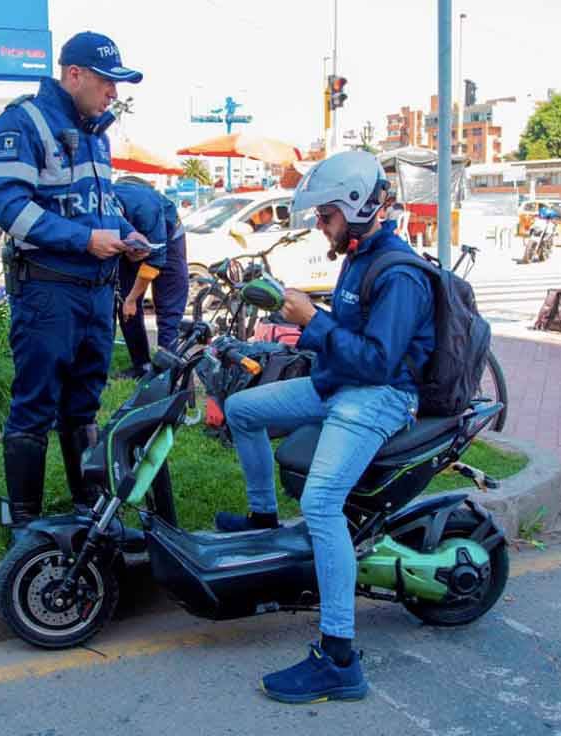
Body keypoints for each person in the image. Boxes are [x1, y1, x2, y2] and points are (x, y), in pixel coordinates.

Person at [214, 150, 435, 703]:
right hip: (340, 383)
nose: (321, 225)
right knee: (243, 411)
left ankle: (339, 659)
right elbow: (350, 338)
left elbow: (379, 362)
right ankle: (264, 516)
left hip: (380, 397)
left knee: (320, 505)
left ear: (358, 207)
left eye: (327, 215)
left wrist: (312, 322)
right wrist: (299, 312)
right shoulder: (358, 256)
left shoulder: (400, 273)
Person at [0, 31, 147, 524]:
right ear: (73, 74)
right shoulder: (22, 122)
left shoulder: (96, 130)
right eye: (106, 82)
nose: (113, 93)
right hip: (48, 292)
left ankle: (88, 510)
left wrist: (124, 230)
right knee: (35, 404)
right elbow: (6, 205)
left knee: (83, 407)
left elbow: (96, 205)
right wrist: (84, 241)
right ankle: (28, 524)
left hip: (96, 294)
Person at [113, 176, 190, 377]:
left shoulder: (146, 208)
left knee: (168, 309)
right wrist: (127, 300)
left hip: (170, 241)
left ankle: (167, 372)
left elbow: (154, 261)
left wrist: (132, 298)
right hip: (133, 233)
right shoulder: (99, 208)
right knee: (125, 307)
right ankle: (141, 366)